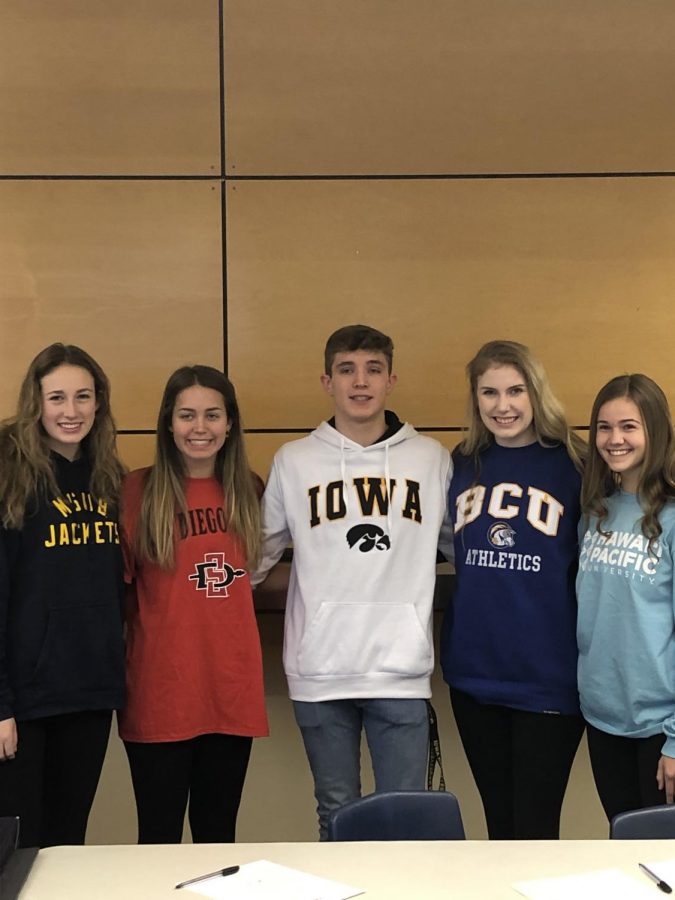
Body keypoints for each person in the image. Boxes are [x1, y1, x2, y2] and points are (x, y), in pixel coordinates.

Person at [253, 324, 452, 839]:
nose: (359, 382)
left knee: (404, 822)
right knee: (336, 816)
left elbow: (463, 548)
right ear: (327, 381)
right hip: (319, 668)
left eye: (373, 369)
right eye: (347, 369)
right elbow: (256, 559)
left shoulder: (431, 459)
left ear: (391, 380)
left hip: (400, 668)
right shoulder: (293, 462)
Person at [440, 340, 586, 839]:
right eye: (489, 392)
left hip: (549, 679)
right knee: (499, 828)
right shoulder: (460, 464)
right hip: (475, 676)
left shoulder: (576, 464)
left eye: (515, 390)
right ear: (475, 399)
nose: (503, 405)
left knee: (536, 829)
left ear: (536, 392)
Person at [119, 365, 268, 844]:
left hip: (230, 690)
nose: (199, 428)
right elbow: (114, 594)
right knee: (157, 839)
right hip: (160, 691)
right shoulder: (136, 492)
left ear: (230, 424)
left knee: (217, 838)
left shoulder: (250, 489)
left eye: (212, 415)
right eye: (187, 415)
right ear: (168, 422)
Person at [0, 343, 125, 848]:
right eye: (57, 398)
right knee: (17, 850)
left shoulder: (108, 476)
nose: (70, 412)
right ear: (36, 402)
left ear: (99, 403)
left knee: (68, 843)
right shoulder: (10, 473)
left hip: (88, 691)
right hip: (23, 701)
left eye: (82, 397)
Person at [577, 373, 675, 822]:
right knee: (621, 850)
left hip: (661, 727)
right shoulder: (596, 510)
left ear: (654, 430)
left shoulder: (672, 517)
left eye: (629, 426)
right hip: (602, 719)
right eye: (603, 427)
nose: (614, 439)